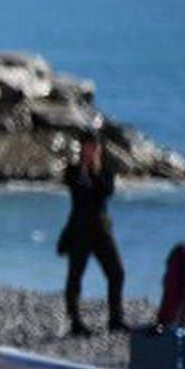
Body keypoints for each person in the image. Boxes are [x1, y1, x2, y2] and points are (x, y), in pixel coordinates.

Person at [58, 130, 127, 334]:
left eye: (95, 147)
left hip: (102, 231)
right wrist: (84, 170)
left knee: (117, 273)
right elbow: (78, 192)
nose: (91, 151)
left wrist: (94, 172)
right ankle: (75, 322)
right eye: (88, 147)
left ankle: (115, 319)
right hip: (79, 230)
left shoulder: (106, 170)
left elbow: (106, 192)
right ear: (82, 148)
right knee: (75, 277)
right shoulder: (73, 171)